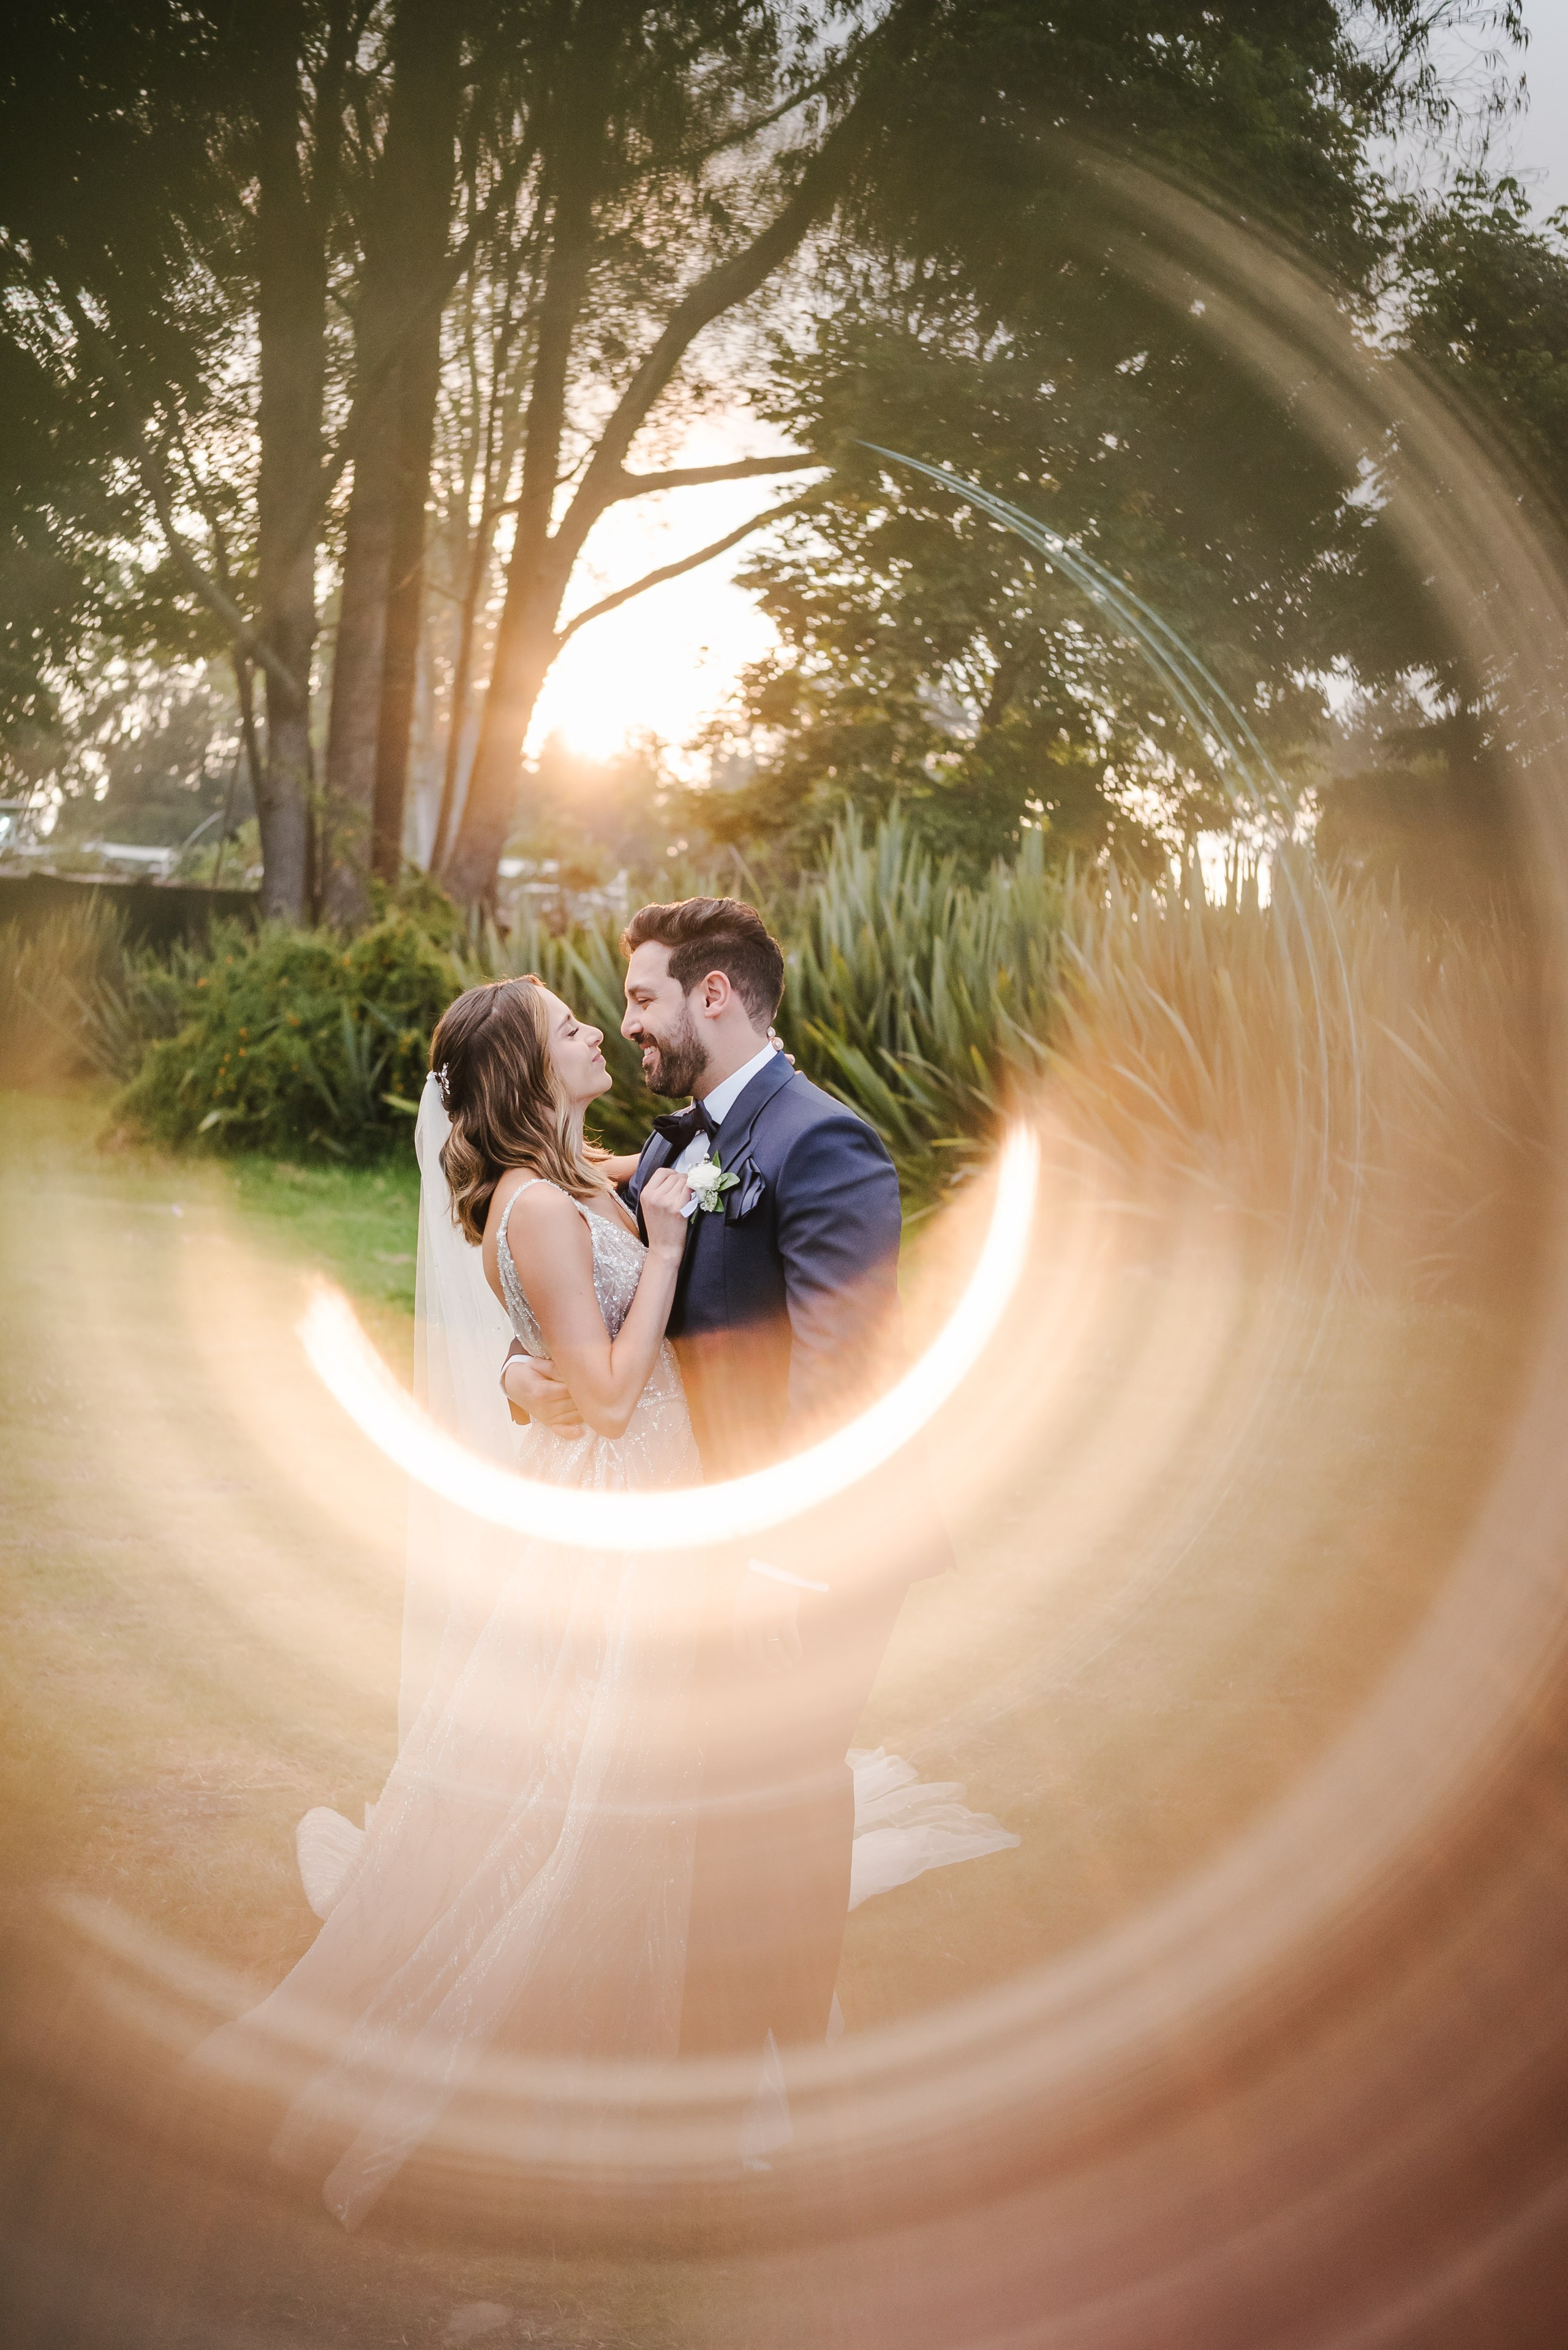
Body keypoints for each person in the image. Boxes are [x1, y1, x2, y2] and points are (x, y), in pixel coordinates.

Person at [192, 975, 707, 2227]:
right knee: (580, 1789)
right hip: (612, 1508)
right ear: (525, 1073)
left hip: (646, 1493)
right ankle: (513, 2081)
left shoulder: (587, 1172)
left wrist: (640, 1225)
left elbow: (563, 1353)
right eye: (568, 1026)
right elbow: (599, 1389)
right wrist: (672, 1251)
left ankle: (637, 2056)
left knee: (636, 1778)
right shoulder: (533, 1206)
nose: (596, 1031)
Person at [502, 897, 952, 2063]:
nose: (628, 1022)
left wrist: (777, 1565)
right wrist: (522, 1369)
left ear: (713, 995)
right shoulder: (673, 1141)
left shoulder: (824, 1142)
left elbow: (842, 1377)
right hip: (709, 1537)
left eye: (644, 997)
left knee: (788, 1786)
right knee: (714, 1784)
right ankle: (708, 2041)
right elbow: (580, 1277)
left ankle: (788, 2065)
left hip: (814, 1548)